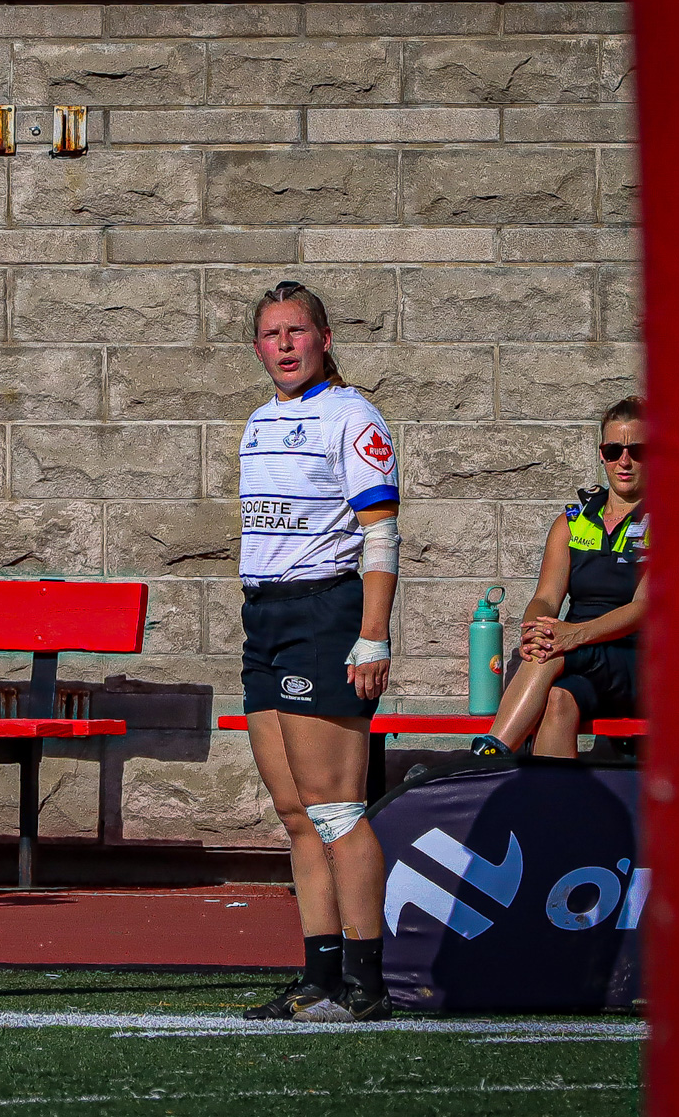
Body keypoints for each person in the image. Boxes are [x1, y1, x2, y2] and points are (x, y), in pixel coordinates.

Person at [235, 281, 400, 1024]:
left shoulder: (353, 417)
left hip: (324, 613)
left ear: (324, 338)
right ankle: (320, 979)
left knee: (337, 809)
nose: (285, 346)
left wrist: (372, 633)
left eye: (297, 332)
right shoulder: (258, 422)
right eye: (271, 335)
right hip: (263, 616)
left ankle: (368, 984)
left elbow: (380, 533)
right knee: (296, 812)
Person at [474, 396, 648, 759]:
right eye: (614, 450)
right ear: (602, 454)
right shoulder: (571, 521)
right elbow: (546, 598)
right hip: (576, 652)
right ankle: (556, 810)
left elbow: (644, 609)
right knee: (557, 699)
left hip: (640, 662)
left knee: (550, 652)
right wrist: (535, 630)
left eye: (638, 450)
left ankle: (493, 753)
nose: (625, 461)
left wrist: (574, 635)